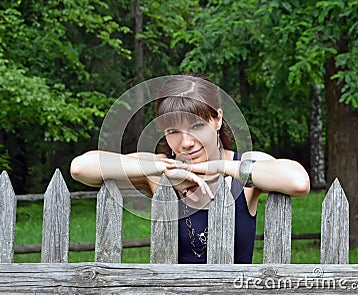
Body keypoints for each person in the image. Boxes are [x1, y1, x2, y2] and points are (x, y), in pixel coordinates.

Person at [70, 73, 310, 264]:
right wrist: (161, 166)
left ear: (217, 119)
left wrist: (223, 166)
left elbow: (297, 181)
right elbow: (81, 168)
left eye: (196, 126)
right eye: (173, 131)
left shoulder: (242, 164)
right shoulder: (158, 172)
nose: (185, 142)